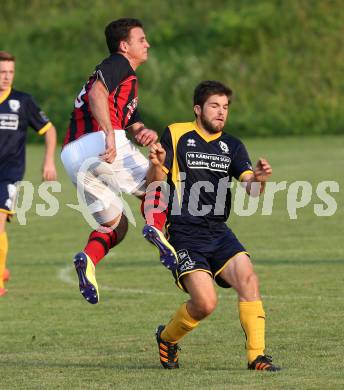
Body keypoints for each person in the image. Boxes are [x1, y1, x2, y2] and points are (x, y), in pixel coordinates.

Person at [146, 80, 280, 371]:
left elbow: (252, 190)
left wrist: (259, 178)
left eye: (225, 107)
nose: (221, 113)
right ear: (197, 109)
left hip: (218, 231)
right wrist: (156, 163)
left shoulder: (231, 145)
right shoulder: (176, 133)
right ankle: (167, 338)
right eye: (214, 106)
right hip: (182, 231)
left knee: (248, 278)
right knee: (206, 303)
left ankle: (257, 356)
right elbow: (155, 185)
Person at [61, 18, 177, 305]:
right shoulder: (117, 64)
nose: (147, 43)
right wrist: (110, 137)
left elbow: (131, 123)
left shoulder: (125, 80)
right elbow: (97, 93)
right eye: (142, 39)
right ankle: (155, 227)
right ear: (125, 46)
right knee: (161, 183)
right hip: (99, 143)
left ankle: (87, 259)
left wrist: (142, 131)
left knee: (116, 226)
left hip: (72, 156)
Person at [0, 51, 57, 297]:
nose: (6, 77)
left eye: (10, 72)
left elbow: (49, 130)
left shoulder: (22, 101)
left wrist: (48, 162)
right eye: (2, 72)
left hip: (9, 172)